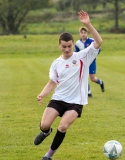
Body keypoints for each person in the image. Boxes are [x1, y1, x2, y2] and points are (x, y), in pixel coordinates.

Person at [34, 10, 103, 160]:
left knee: (63, 126)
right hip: (58, 98)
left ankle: (48, 156)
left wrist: (88, 24)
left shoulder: (83, 56)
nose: (67, 49)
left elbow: (98, 42)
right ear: (59, 45)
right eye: (64, 46)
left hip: (76, 102)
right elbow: (52, 82)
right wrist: (42, 94)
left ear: (73, 44)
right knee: (44, 124)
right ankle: (46, 132)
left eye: (69, 46)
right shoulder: (56, 63)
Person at [75, 26, 105, 97]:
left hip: (92, 62)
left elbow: (98, 49)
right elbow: (76, 53)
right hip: (83, 63)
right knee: (83, 76)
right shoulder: (77, 43)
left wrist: (93, 56)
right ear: (79, 34)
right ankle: (88, 92)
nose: (83, 34)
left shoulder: (92, 41)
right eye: (81, 33)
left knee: (92, 78)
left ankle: (100, 82)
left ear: (87, 33)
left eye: (84, 32)